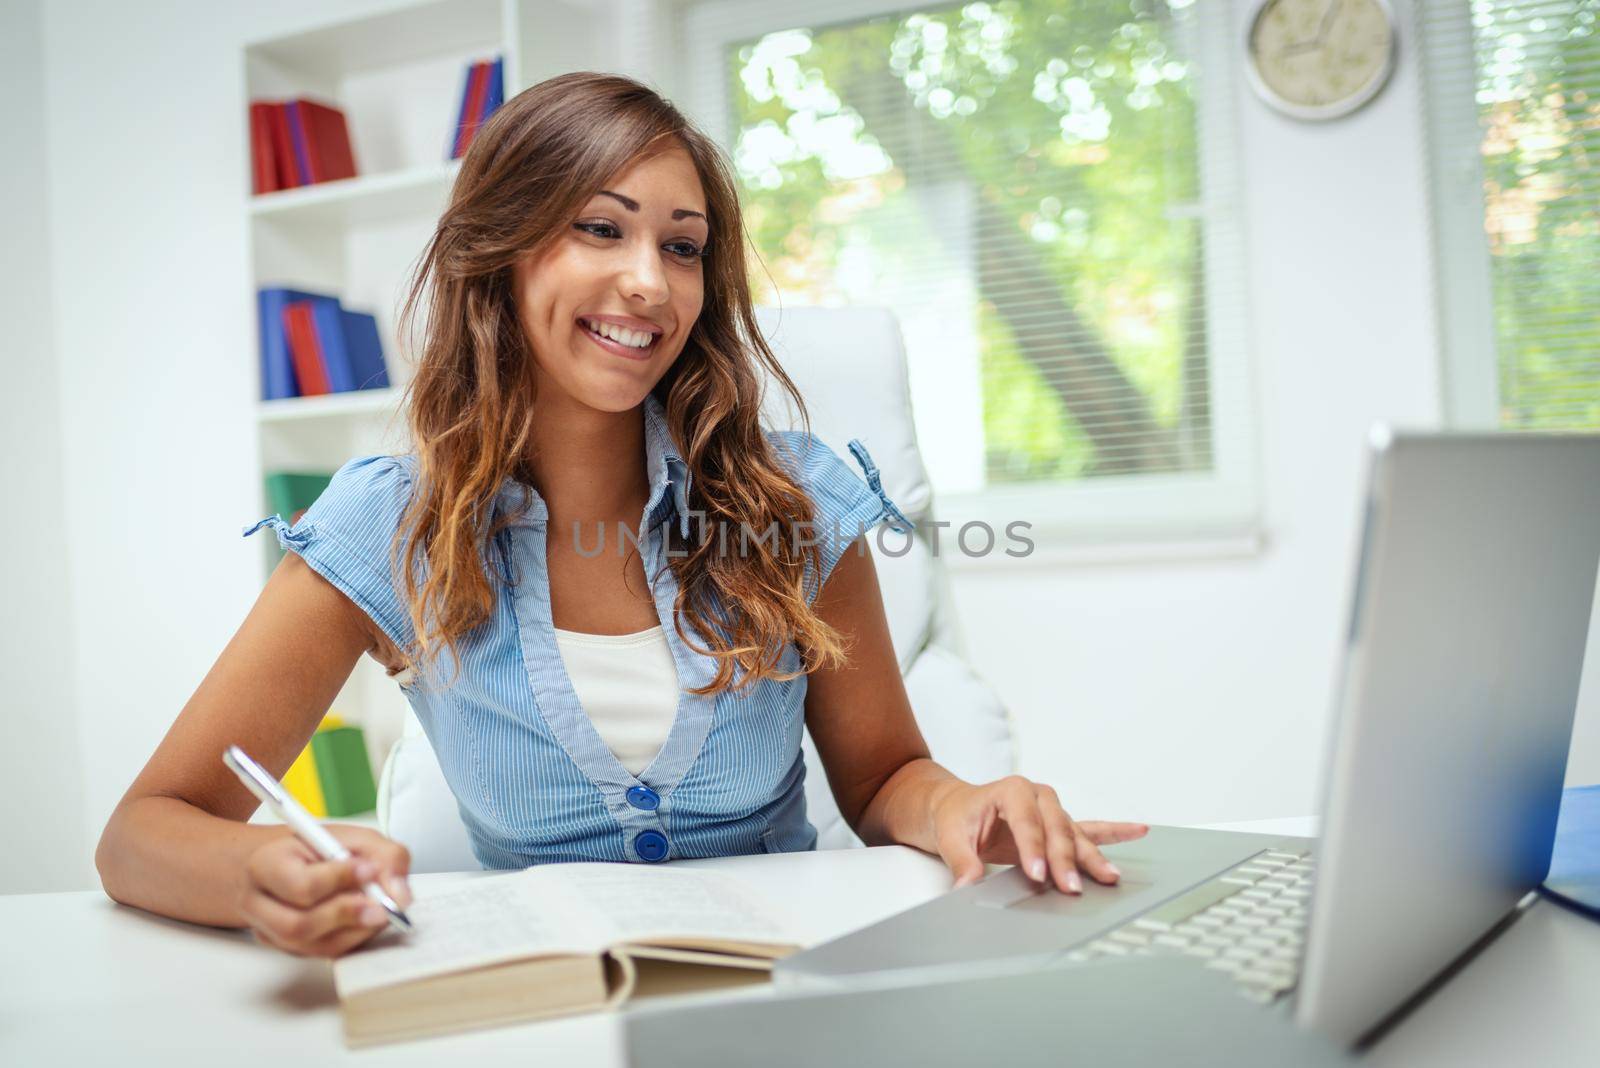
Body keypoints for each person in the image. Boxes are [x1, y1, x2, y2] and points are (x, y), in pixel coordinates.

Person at [95, 71, 1147, 959]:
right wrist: (259, 875)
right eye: (599, 229)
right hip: (539, 1010)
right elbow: (145, 831)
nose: (648, 282)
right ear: (500, 254)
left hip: (794, 993)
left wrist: (960, 805)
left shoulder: (788, 503)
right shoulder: (389, 526)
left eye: (682, 248)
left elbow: (882, 779)